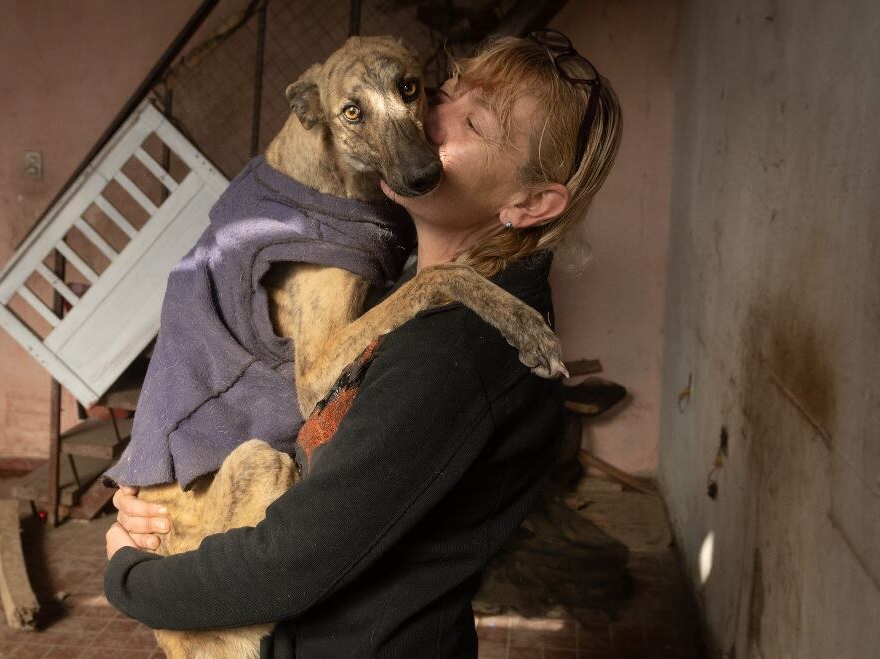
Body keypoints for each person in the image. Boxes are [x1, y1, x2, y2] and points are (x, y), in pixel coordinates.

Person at [104, 30, 622, 658]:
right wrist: (163, 489)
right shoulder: (396, 273)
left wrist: (130, 573)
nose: (422, 121)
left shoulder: (455, 352)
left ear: (531, 203)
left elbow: (293, 564)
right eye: (442, 92)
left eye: (474, 124)